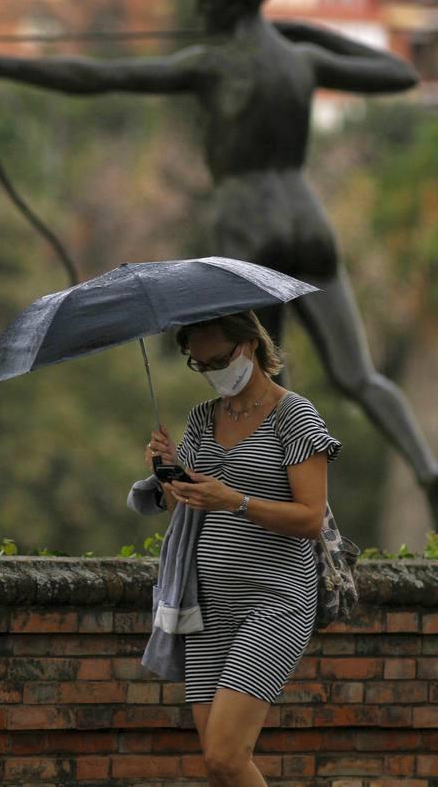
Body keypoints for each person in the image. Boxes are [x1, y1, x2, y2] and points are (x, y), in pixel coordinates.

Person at [0, 0, 438, 500]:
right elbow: (398, 71)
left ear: (232, 0)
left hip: (247, 224)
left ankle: (272, 502)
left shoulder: (212, 64)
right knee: (357, 376)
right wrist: (300, 32)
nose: (201, 5)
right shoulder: (297, 59)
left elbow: (98, 77)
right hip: (307, 221)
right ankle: (428, 470)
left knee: (263, 379)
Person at [132, 310, 340, 787]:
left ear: (250, 345)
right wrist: (168, 470)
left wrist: (236, 500)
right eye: (199, 365)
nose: (211, 372)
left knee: (227, 755)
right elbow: (182, 505)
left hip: (274, 601)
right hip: (207, 605)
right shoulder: (204, 417)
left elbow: (310, 518)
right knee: (217, 764)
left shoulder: (294, 415)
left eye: (219, 360)